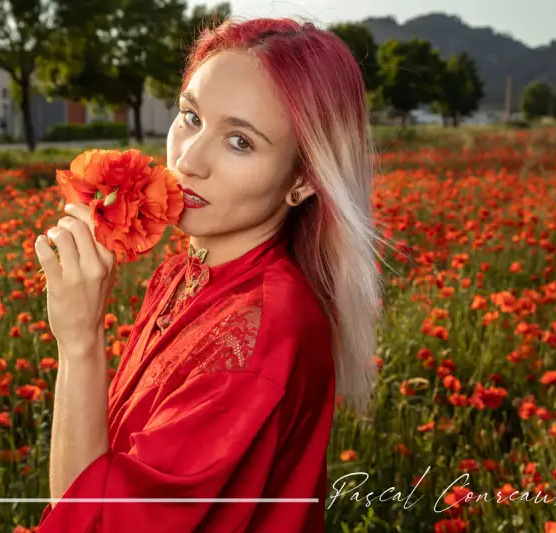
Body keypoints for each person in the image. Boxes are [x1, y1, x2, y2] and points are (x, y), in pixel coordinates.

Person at [33, 16, 382, 533]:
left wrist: (80, 342)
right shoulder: (188, 268)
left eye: (240, 141)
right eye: (191, 116)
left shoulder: (261, 332)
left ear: (304, 179)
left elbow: (95, 519)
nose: (189, 160)